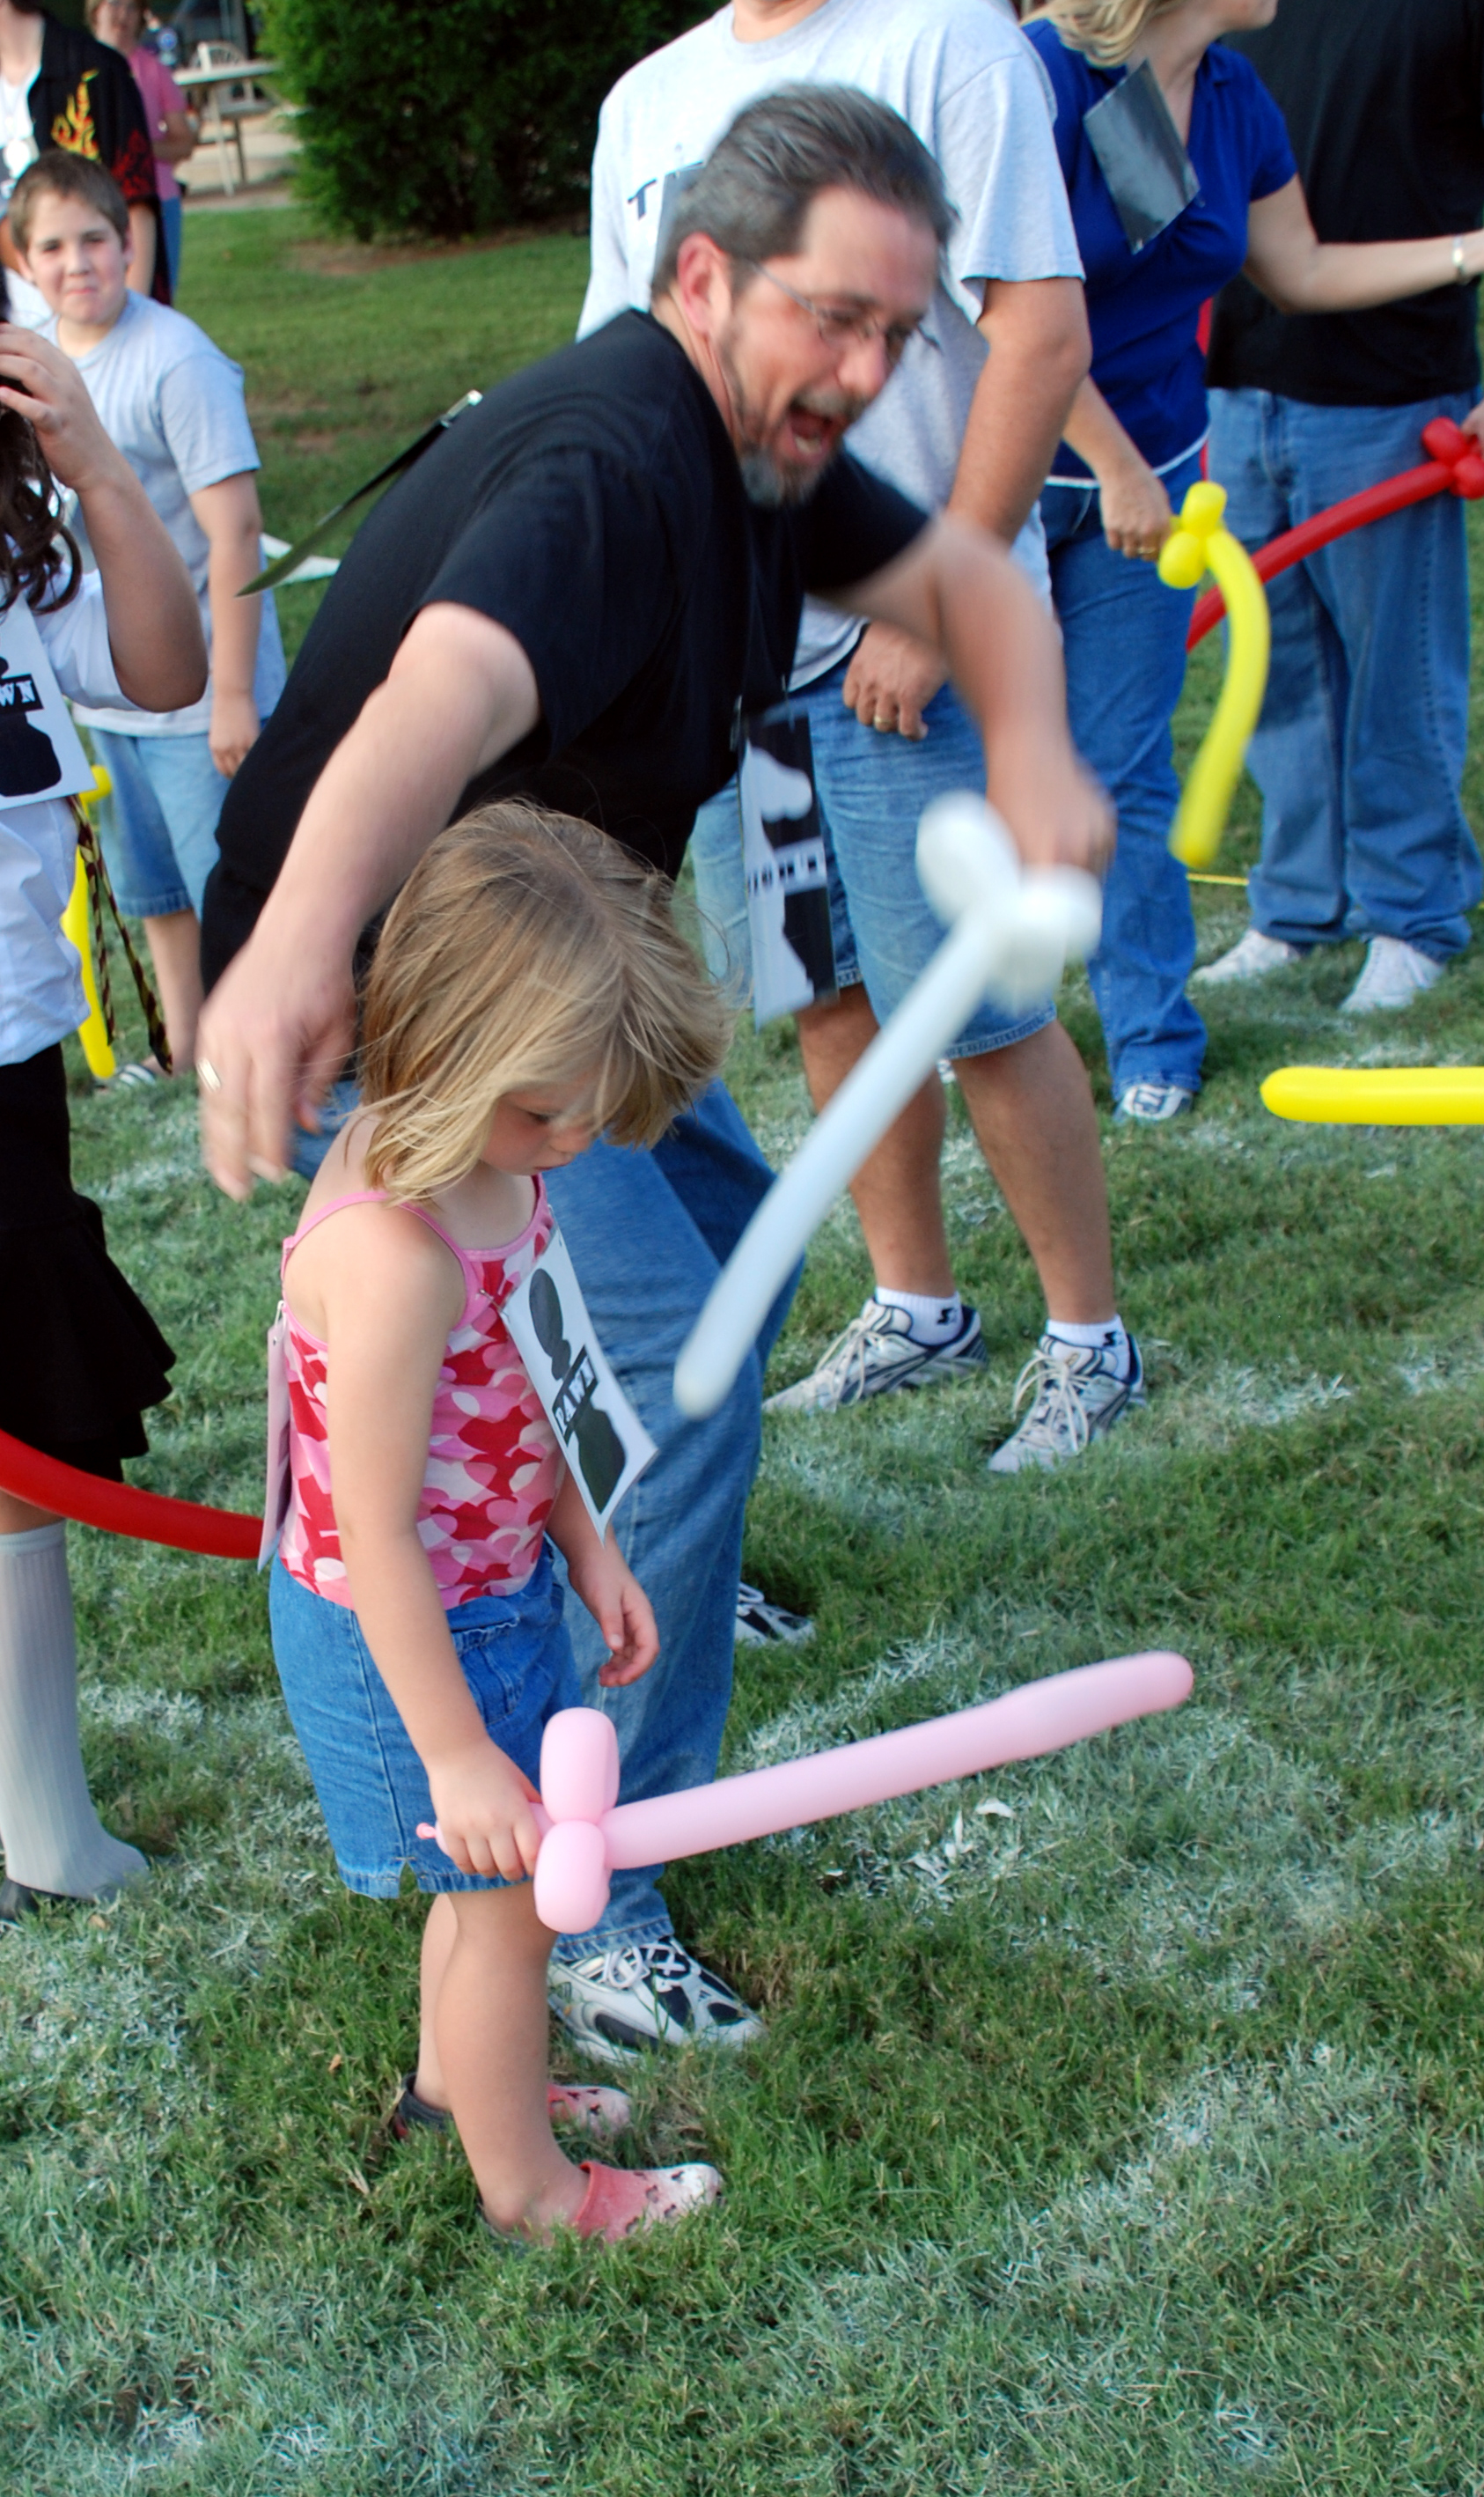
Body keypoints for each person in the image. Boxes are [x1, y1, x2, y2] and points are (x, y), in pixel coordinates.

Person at [198, 89, 1111, 2062]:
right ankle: (604, 1865)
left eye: (901, 331)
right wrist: (282, 957)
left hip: (566, 961)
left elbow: (966, 583)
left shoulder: (762, 451)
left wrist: (1034, 754)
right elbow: (438, 696)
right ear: (704, 276)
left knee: (741, 1255)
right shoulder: (619, 462)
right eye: (832, 320)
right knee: (684, 1379)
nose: (867, 372)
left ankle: (630, 1595)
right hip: (432, 1001)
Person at [585, 0, 1147, 1473]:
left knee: (979, 1010)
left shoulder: (946, 38)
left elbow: (1037, 334)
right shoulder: (647, 99)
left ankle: (1090, 1338)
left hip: (916, 646)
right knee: (820, 989)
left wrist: (934, 597)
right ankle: (918, 1304)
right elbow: (631, 364)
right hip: (738, 661)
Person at [270, 803, 731, 2241]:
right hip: (407, 1630)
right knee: (507, 1903)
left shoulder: (495, 1155)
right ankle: (531, 2189)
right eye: (548, 1109)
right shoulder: (396, 1257)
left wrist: (588, 1545)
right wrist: (458, 1751)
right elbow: (380, 1531)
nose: (577, 1140)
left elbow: (547, 1363)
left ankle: (454, 2087)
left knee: (486, 1902)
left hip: (499, 1583)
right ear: (441, 1037)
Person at [0, 312, 206, 1924]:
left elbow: (166, 667)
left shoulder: (21, 527)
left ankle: (35, 1809)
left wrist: (88, 459)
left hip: (12, 1054)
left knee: (20, 1418)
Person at [1201, 0, 1484, 1013]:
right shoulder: (1240, 3)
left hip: (1396, 392)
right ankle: (1297, 908)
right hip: (1236, 383)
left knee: (1396, 675)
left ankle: (1414, 915)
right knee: (1275, 673)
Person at [14, 151, 283, 1076]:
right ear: (22, 262)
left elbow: (236, 530)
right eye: (52, 245)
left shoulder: (176, 358)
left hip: (199, 688)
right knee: (154, 888)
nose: (77, 261)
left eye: (96, 238)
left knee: (232, 886)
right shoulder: (36, 363)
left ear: (131, 245)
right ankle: (191, 1048)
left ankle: (269, 1045)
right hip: (102, 691)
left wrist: (237, 694)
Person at [0, 0, 161, 322]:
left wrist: (126, 335)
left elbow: (137, 206)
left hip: (103, 327)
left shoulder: (97, 72)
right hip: (16, 338)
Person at [87, 0, 193, 293]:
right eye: (114, 4)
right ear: (96, 9)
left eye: (130, 7)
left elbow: (183, 141)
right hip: (95, 202)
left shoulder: (154, 71)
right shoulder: (78, 69)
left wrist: (138, 150)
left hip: (156, 198)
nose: (122, 14)